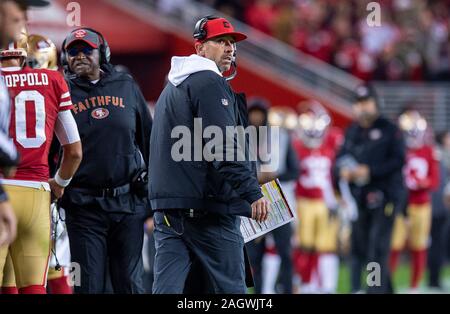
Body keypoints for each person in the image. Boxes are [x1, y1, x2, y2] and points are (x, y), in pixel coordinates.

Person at [149, 16, 269, 294]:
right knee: (231, 293)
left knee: (169, 291)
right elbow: (222, 147)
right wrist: (252, 192)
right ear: (200, 47)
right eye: (220, 42)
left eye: (232, 43)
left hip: (170, 211)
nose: (230, 48)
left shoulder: (174, 86)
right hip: (208, 211)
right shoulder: (208, 82)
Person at [59, 27, 152, 294]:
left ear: (103, 53)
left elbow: (150, 140)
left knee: (131, 285)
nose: (79, 56)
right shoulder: (61, 90)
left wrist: (152, 192)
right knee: (87, 287)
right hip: (83, 206)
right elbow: (52, 150)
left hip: (128, 205)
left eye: (86, 49)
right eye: (72, 51)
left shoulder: (126, 85)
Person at [0, 25, 82, 294]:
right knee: (35, 286)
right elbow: (74, 151)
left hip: (2, 190)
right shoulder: (53, 80)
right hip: (37, 195)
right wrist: (59, 183)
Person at [336, 84, 406, 294]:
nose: (363, 107)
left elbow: (399, 161)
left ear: (376, 104)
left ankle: (374, 291)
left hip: (385, 196)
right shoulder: (352, 131)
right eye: (359, 103)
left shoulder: (389, 129)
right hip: (359, 198)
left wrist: (369, 171)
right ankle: (377, 290)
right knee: (362, 248)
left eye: (366, 102)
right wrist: (342, 171)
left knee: (377, 249)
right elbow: (339, 159)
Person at [245, 99, 299, 294]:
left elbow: (294, 170)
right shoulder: (241, 138)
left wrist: (275, 176)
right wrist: (255, 177)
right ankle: (259, 294)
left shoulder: (281, 137)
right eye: (253, 113)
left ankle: (285, 289)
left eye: (260, 113)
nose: (256, 117)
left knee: (285, 252)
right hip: (253, 203)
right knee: (254, 256)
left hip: (277, 202)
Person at [292, 101, 341, 293]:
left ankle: (313, 283)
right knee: (303, 245)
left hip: (321, 203)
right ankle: (300, 282)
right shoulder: (297, 147)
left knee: (318, 246)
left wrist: (332, 202)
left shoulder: (327, 150)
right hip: (302, 201)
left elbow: (328, 180)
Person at [389, 109, 439, 293]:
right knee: (393, 246)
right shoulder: (399, 149)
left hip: (421, 205)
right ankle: (384, 283)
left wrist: (422, 183)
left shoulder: (428, 151)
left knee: (419, 246)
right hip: (401, 204)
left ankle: (414, 287)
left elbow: (434, 181)